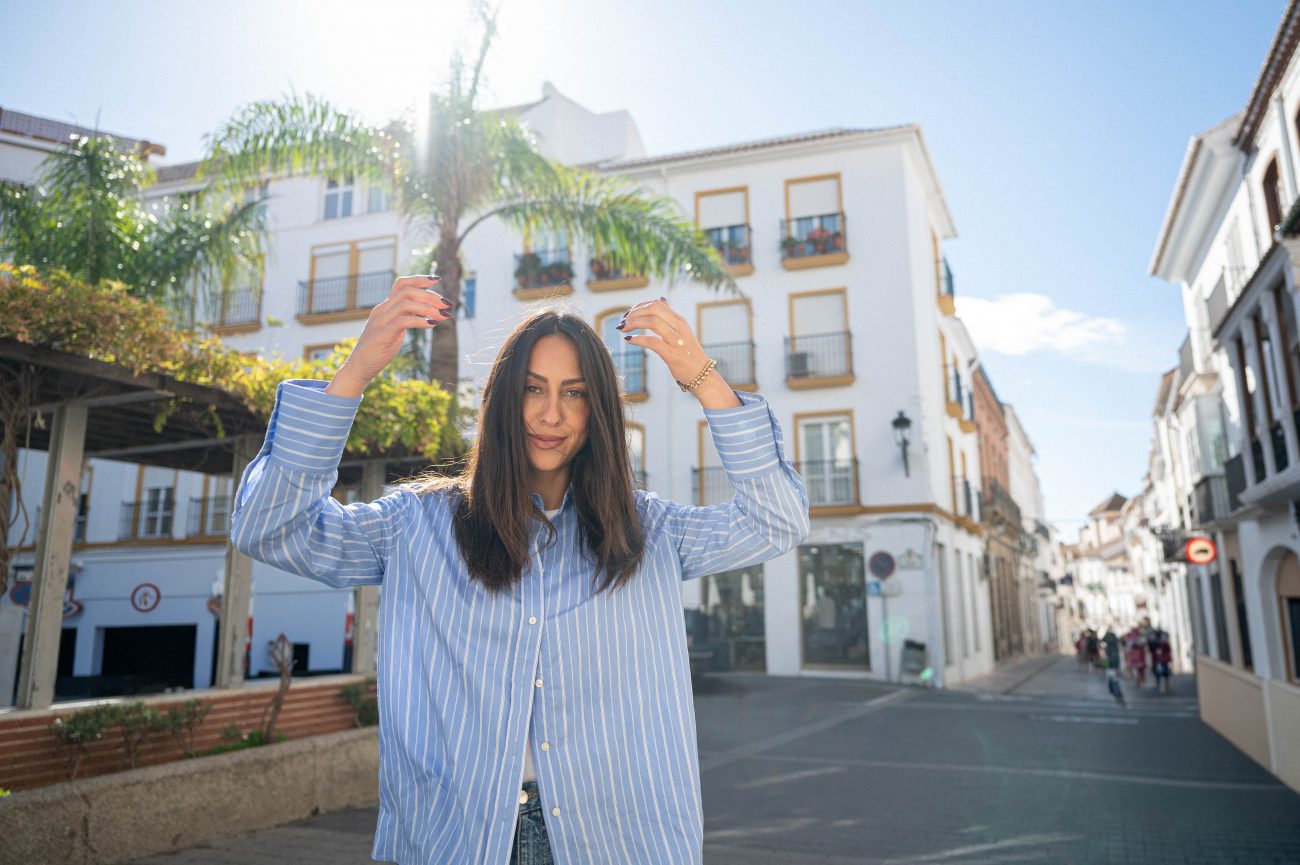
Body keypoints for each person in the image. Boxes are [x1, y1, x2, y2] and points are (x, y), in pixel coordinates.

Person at [231, 276, 811, 865]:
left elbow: (776, 521)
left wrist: (702, 378)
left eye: (575, 392)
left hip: (617, 840)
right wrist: (354, 374)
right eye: (533, 388)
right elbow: (269, 529)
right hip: (457, 838)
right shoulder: (415, 526)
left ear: (599, 410)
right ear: (503, 399)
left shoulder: (651, 533)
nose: (551, 414)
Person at [1150, 628, 1173, 694]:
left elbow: (1168, 650)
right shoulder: (1156, 642)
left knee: (1164, 673)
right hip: (1158, 660)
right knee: (1159, 672)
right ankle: (1162, 685)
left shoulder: (1164, 643)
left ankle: (1166, 686)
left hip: (1163, 660)